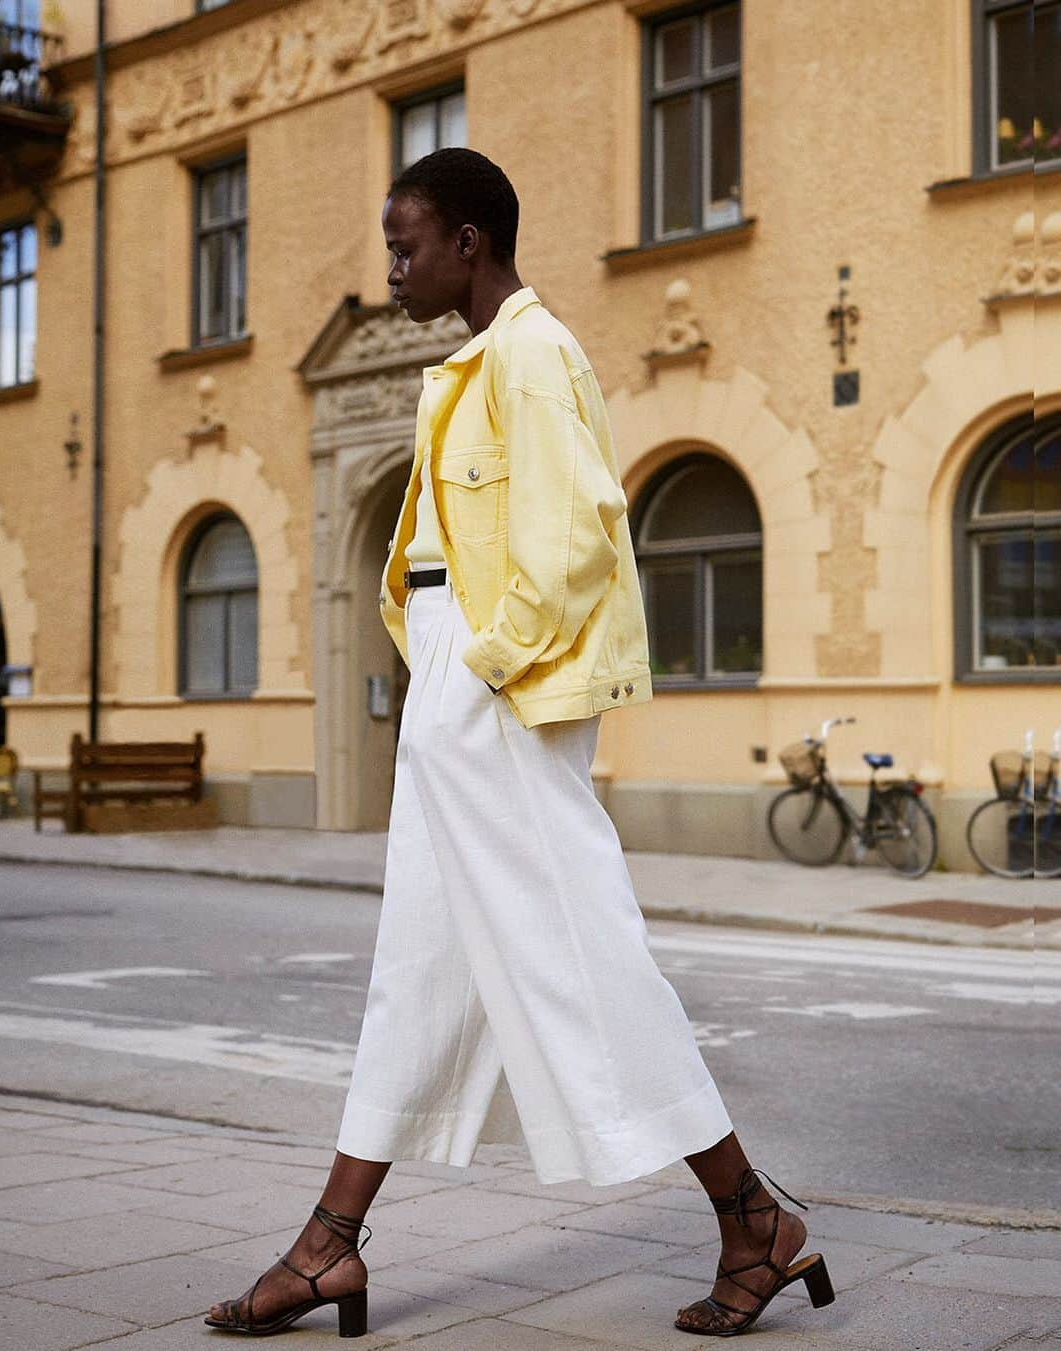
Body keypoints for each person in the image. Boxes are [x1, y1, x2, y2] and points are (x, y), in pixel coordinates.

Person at [206, 148, 834, 1340]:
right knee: (421, 973)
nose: (394, 269)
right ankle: (329, 1244)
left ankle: (751, 1212)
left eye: (407, 246)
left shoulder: (534, 354)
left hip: (492, 687)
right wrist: (438, 659)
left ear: (470, 244)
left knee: (577, 952)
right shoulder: (481, 358)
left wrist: (480, 668)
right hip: (456, 675)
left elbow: (581, 533)